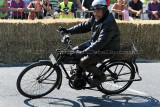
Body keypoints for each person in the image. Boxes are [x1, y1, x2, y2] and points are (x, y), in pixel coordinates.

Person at [59, 0, 120, 87]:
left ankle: (101, 77)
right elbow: (84, 26)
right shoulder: (96, 17)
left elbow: (101, 42)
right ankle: (80, 74)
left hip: (107, 48)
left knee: (84, 61)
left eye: (98, 11)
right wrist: (68, 30)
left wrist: (84, 52)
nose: (96, 13)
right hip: (94, 43)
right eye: (94, 11)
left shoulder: (109, 22)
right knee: (74, 51)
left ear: (104, 10)